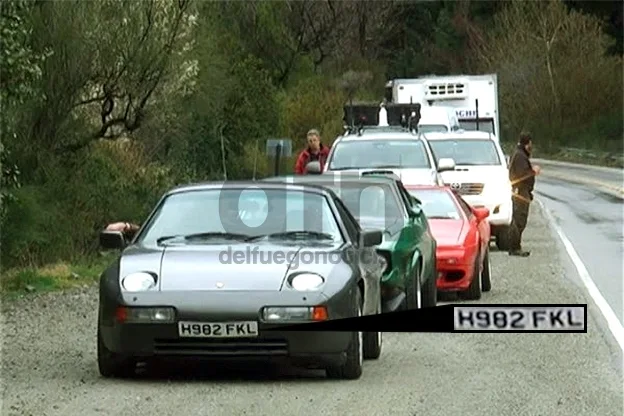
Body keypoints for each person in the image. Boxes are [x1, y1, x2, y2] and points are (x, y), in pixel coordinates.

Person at [507, 132, 541, 257]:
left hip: (521, 191)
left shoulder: (519, 154)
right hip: (520, 192)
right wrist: (533, 171)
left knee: (519, 219)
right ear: (528, 143)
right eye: (531, 143)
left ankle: (515, 246)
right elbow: (522, 175)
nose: (531, 146)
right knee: (519, 219)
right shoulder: (520, 156)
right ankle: (514, 247)